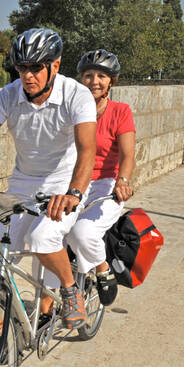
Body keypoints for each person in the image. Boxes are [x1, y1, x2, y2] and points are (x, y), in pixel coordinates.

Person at [0, 28, 97, 329]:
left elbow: (87, 150)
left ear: (55, 65)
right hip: (23, 183)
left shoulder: (77, 95)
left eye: (36, 67)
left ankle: (70, 289)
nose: (28, 76)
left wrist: (74, 193)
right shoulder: (8, 95)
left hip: (64, 183)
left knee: (42, 238)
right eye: (22, 68)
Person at [67, 50, 135, 304]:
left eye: (101, 76)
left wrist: (123, 181)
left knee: (82, 232)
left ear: (111, 82)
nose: (94, 81)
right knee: (50, 232)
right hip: (74, 181)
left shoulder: (120, 111)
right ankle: (49, 305)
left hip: (106, 184)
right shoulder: (71, 109)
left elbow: (127, 155)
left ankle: (103, 270)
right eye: (88, 75)